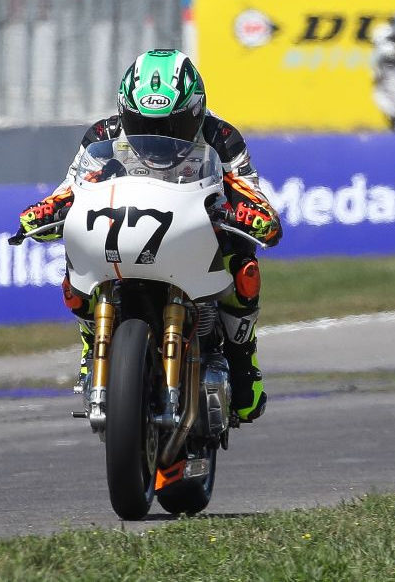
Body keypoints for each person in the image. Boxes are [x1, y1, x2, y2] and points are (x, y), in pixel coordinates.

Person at [16, 49, 282, 423]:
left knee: (244, 268)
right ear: (125, 112)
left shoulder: (222, 137)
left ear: (196, 112)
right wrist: (46, 209)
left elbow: (251, 193)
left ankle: (242, 359)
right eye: (143, 123)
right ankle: (92, 340)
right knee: (75, 264)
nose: (157, 136)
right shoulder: (104, 135)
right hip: (124, 229)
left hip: (194, 229)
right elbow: (72, 188)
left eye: (171, 126)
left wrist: (248, 213)